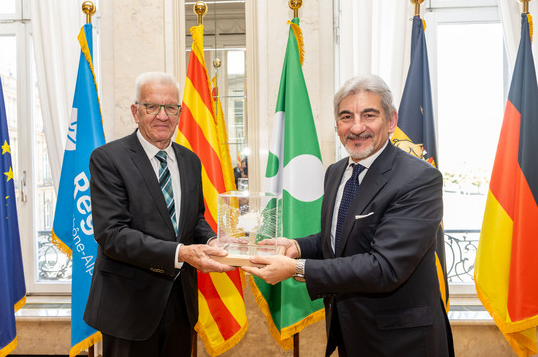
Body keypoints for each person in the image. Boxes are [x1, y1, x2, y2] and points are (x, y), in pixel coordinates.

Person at [243, 74, 454, 357]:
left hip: (403, 342)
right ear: (337, 125)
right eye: (346, 117)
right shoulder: (336, 172)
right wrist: (297, 247)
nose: (357, 127)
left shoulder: (419, 179)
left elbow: (385, 266)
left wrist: (297, 268)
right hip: (352, 334)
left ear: (391, 120)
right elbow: (341, 239)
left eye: (369, 115)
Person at [84, 72, 234, 357]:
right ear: (135, 112)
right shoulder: (108, 159)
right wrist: (180, 253)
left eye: (171, 107)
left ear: (180, 112)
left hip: (181, 305)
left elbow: (195, 220)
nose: (162, 116)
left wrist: (213, 241)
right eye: (152, 107)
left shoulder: (190, 161)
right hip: (128, 308)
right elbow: (112, 235)